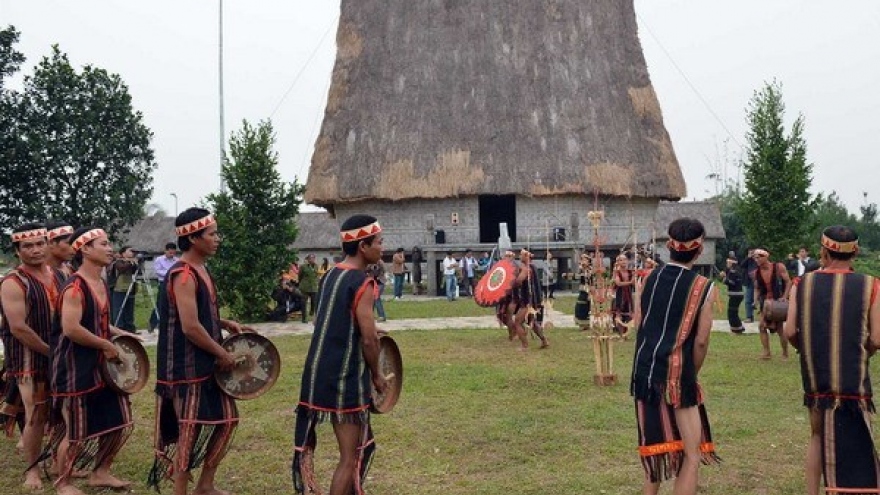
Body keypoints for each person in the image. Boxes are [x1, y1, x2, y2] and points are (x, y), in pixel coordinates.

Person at [148, 207, 254, 495]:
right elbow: (190, 327)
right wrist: (222, 353)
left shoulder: (201, 270)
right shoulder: (183, 274)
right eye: (212, 234)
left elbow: (198, 315)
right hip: (185, 367)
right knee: (189, 430)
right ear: (194, 238)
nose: (217, 239)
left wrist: (223, 322)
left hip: (205, 363)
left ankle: (205, 485)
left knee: (227, 421)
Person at [292, 214, 388, 495]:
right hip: (344, 377)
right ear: (363, 246)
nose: (382, 247)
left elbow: (328, 320)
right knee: (351, 456)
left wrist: (368, 326)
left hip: (317, 374)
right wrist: (377, 375)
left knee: (352, 453)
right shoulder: (362, 282)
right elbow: (369, 340)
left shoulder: (331, 275)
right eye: (378, 242)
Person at [783, 226, 880, 494]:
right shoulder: (871, 285)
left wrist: (808, 349)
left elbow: (789, 331)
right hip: (853, 379)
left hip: (818, 377)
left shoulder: (802, 283)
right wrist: (863, 353)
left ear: (824, 251)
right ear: (855, 253)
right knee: (859, 436)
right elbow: (877, 338)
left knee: (817, 435)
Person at [630, 217, 719, 495]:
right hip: (679, 376)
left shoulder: (647, 278)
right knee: (691, 455)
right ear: (699, 249)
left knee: (654, 454)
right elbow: (701, 341)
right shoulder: (703, 286)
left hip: (645, 374)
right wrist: (691, 374)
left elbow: (638, 323)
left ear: (669, 246)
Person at [51, 227, 136, 494]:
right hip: (74, 367)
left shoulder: (100, 282)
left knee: (118, 422)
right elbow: (71, 328)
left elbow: (98, 322)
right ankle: (63, 482)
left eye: (109, 243)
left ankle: (100, 473)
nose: (110, 249)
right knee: (76, 430)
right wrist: (105, 344)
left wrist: (120, 334)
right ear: (85, 249)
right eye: (104, 244)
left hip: (102, 367)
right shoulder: (75, 287)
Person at [0, 223, 61, 490]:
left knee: (63, 411)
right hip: (29, 361)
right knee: (36, 414)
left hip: (60, 356)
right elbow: (18, 328)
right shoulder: (13, 282)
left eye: (39, 244)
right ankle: (32, 470)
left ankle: (59, 462)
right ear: (17, 251)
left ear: (47, 245)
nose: (35, 250)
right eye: (28, 246)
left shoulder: (59, 275)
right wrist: (51, 352)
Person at [752, 248, 792, 359]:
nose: (756, 260)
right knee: (762, 326)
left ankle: (785, 353)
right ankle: (766, 352)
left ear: (765, 257)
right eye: (755, 258)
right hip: (765, 303)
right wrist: (755, 301)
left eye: (758, 257)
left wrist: (784, 297)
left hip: (777, 302)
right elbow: (757, 288)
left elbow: (788, 282)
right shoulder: (756, 272)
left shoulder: (778, 267)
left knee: (779, 329)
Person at [508, 249, 548, 350]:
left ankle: (524, 346)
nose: (519, 256)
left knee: (517, 322)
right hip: (531, 299)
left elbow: (518, 281)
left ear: (526, 257)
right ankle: (544, 341)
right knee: (533, 323)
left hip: (527, 301)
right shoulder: (531, 267)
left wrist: (512, 279)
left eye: (521, 255)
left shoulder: (526, 269)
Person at [149, 242, 179, 333]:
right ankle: (153, 323)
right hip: (163, 283)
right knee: (160, 303)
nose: (171, 254)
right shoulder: (159, 259)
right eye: (170, 252)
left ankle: (169, 323)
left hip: (174, 283)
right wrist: (170, 272)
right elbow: (158, 271)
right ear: (165, 251)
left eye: (173, 252)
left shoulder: (177, 260)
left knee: (173, 303)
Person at [110, 246, 138, 332]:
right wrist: (130, 263)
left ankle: (129, 327)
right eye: (130, 251)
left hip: (130, 288)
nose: (132, 252)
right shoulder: (118, 262)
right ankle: (119, 327)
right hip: (119, 289)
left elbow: (137, 272)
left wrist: (137, 264)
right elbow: (122, 269)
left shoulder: (133, 262)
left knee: (129, 309)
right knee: (118, 309)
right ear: (123, 253)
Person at [612, 253, 635, 335]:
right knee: (619, 314)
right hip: (619, 295)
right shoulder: (616, 272)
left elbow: (634, 283)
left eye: (625, 259)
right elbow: (618, 283)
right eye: (621, 260)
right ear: (618, 262)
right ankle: (621, 333)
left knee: (629, 315)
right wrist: (630, 282)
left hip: (628, 296)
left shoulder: (631, 272)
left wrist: (634, 279)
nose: (623, 261)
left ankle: (626, 334)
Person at [721, 256, 745, 334]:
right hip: (736, 295)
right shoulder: (734, 270)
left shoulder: (733, 272)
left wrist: (724, 278)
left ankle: (736, 330)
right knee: (733, 312)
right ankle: (739, 328)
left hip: (736, 295)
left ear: (731, 263)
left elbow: (732, 283)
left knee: (732, 313)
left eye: (728, 263)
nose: (727, 264)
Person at [299, 254, 319, 322]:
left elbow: (316, 275)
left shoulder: (316, 266)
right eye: (311, 258)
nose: (312, 259)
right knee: (303, 303)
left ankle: (312, 312)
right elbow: (300, 275)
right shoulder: (303, 266)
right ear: (308, 259)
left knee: (314, 302)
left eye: (313, 258)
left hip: (313, 287)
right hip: (305, 287)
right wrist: (301, 283)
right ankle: (304, 318)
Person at [740, 248, 758, 323]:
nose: (751, 254)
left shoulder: (758, 260)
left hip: (758, 282)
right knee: (748, 300)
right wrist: (748, 258)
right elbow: (742, 265)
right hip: (749, 283)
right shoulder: (748, 260)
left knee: (761, 300)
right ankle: (749, 317)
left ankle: (764, 317)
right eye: (749, 253)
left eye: (752, 253)